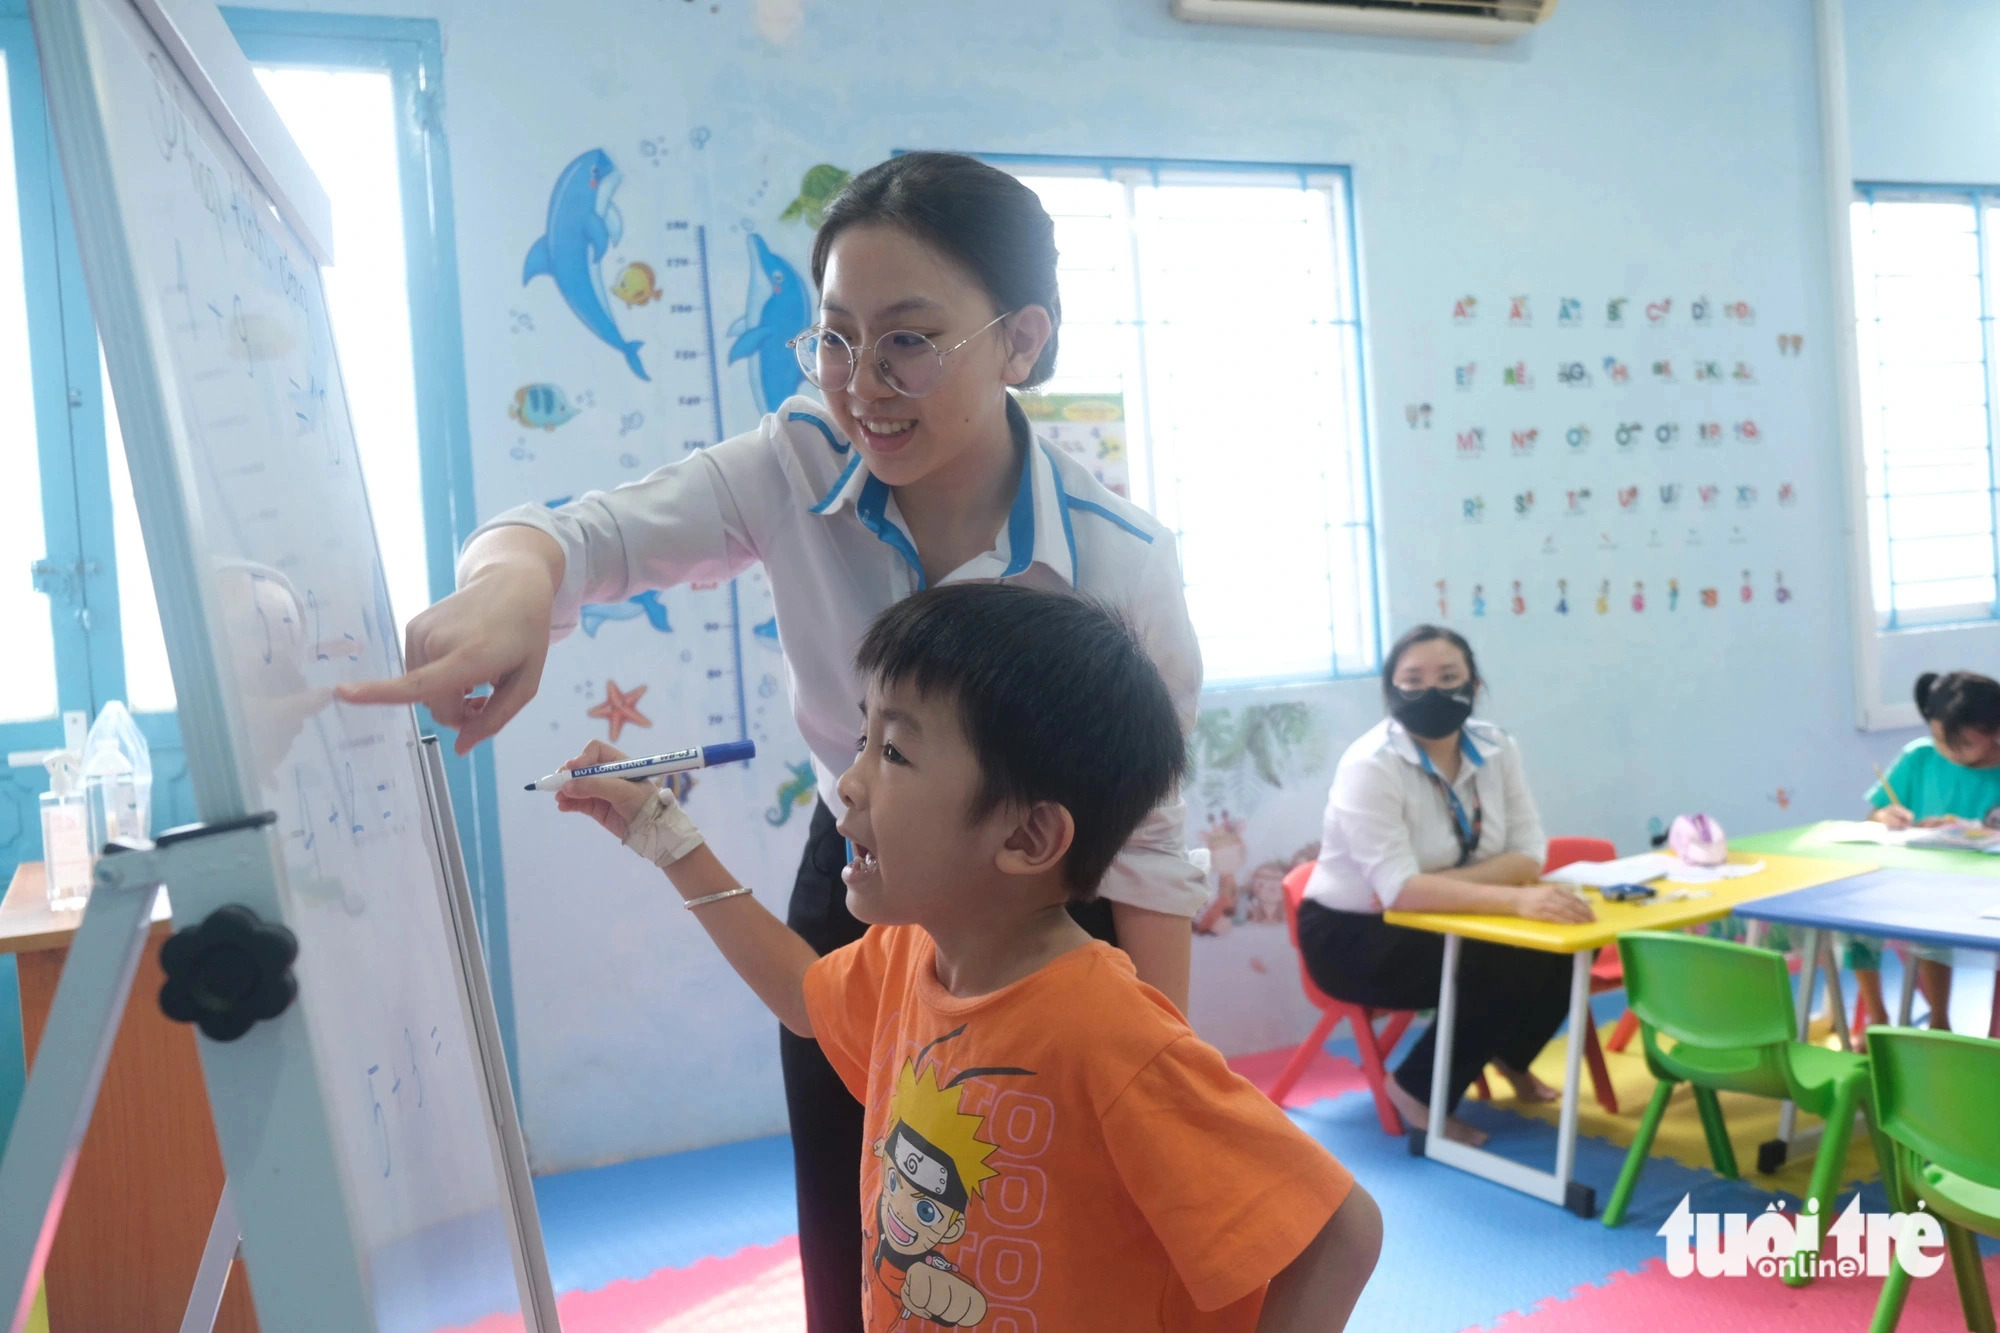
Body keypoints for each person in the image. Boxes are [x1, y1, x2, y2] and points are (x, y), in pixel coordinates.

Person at [337, 152, 1206, 1331]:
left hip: (1046, 899)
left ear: (1020, 342)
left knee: (1045, 1234)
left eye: (908, 340)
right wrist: (513, 587)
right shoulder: (796, 458)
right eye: (834, 337)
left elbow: (1147, 840)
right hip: (865, 855)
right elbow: (572, 537)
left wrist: (1164, 1093)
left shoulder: (1115, 562)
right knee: (864, 1222)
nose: (860, 385)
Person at [553, 584, 1380, 1330]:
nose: (849, 782)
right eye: (864, 736)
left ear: (1025, 835)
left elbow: (1341, 1232)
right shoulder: (909, 955)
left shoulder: (1109, 1033)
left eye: (895, 752)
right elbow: (804, 996)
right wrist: (664, 836)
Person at [1295, 625, 1588, 1147]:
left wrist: (1444, 885)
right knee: (1500, 957)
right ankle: (1416, 1090)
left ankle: (1507, 1054)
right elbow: (1399, 893)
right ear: (1391, 691)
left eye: (1448, 676)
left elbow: (1529, 852)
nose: (1431, 691)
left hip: (1451, 914)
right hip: (1353, 935)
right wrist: (1516, 897)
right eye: (1413, 679)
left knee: (1562, 946)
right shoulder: (1370, 765)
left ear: (1474, 685)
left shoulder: (1498, 749)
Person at [1851, 670, 2000, 1033]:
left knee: (1933, 932)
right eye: (1939, 740)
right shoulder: (1919, 758)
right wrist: (1885, 816)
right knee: (1856, 927)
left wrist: (1975, 832)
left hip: (1987, 893)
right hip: (1920, 886)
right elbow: (1873, 815)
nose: (1948, 752)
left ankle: (1978, 1032)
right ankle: (1884, 1020)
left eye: (1962, 744)